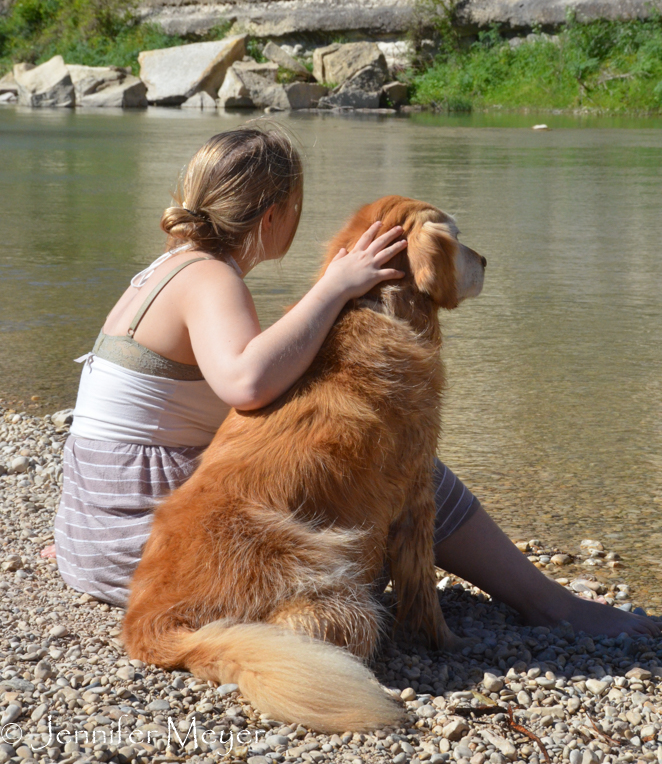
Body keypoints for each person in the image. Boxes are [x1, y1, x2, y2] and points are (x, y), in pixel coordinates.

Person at [53, 123, 658, 639]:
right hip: (142, 546)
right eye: (298, 207)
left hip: (91, 533)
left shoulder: (163, 270)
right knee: (403, 462)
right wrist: (335, 287)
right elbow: (246, 383)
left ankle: (514, 596)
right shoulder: (211, 280)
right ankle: (550, 604)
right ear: (275, 216)